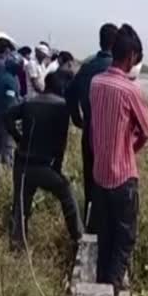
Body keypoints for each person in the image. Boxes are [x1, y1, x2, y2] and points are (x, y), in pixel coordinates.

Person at [90, 24, 148, 296]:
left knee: (105, 240)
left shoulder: (96, 82)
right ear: (130, 56)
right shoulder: (130, 90)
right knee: (124, 242)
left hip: (100, 176)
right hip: (123, 178)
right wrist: (129, 149)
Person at [5, 71, 83, 250]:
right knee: (66, 194)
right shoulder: (63, 107)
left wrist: (18, 138)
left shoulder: (29, 102)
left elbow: (7, 117)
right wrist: (57, 167)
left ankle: (17, 247)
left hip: (23, 163)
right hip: (44, 166)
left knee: (20, 207)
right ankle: (78, 237)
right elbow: (61, 142)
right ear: (62, 87)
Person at [65, 23, 118, 232]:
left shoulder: (87, 67)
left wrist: (78, 119)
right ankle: (106, 227)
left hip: (89, 132)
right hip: (111, 137)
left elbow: (69, 94)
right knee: (111, 183)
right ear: (116, 43)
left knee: (90, 180)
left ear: (100, 41)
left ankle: (90, 224)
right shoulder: (117, 70)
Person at [0, 57, 22, 186]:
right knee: (7, 147)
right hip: (7, 119)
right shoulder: (11, 81)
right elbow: (10, 101)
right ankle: (5, 180)